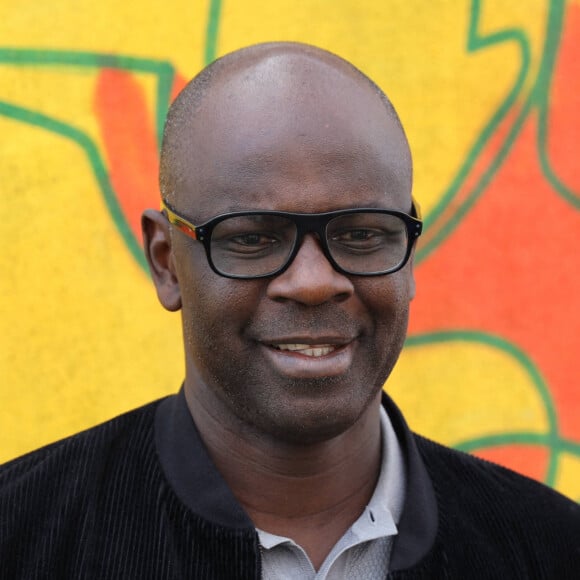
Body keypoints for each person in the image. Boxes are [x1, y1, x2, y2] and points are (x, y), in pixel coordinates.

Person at [0, 42, 578, 580]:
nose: (311, 282)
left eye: (360, 235)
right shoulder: (24, 537)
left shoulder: (550, 547)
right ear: (166, 261)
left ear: (408, 257)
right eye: (252, 238)